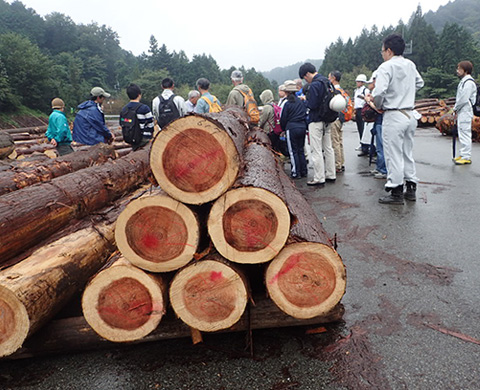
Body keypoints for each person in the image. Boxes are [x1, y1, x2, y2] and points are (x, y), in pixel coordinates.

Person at [368, 34, 424, 204]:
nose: (382, 53)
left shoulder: (386, 67)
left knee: (393, 154)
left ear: (389, 50)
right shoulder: (410, 64)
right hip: (410, 113)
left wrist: (378, 104)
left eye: (383, 50)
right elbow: (420, 83)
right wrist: (406, 91)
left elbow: (379, 92)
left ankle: (396, 190)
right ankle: (411, 187)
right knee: (407, 151)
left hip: (394, 113)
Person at [299, 62, 336, 186]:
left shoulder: (315, 85)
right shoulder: (327, 82)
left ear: (308, 74)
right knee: (328, 148)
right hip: (328, 119)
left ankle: (319, 177)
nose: (306, 80)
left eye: (305, 77)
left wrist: (305, 101)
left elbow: (312, 105)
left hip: (316, 120)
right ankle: (331, 174)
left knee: (316, 150)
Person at [280, 80, 308, 180]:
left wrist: (283, 129)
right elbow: (305, 114)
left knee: (293, 151)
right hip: (302, 127)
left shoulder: (287, 103)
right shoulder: (301, 102)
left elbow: (283, 118)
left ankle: (296, 172)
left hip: (291, 128)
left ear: (286, 92)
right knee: (301, 150)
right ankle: (304, 170)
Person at [453, 60, 476, 165]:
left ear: (465, 70)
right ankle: (463, 154)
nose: (457, 71)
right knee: (461, 132)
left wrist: (455, 108)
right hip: (463, 110)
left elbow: (463, 98)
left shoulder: (469, 83)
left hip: (465, 110)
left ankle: (466, 156)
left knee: (465, 133)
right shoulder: (464, 81)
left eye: (459, 69)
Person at [365, 72, 387, 180]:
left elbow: (380, 109)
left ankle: (383, 170)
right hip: (378, 122)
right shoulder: (377, 91)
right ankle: (379, 167)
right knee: (378, 147)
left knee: (382, 147)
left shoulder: (383, 91)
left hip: (381, 121)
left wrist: (369, 102)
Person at [120, 83, 155, 150]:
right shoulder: (144, 108)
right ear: (139, 95)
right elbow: (151, 125)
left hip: (130, 138)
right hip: (144, 139)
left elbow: (122, 123)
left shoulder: (124, 109)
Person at [328, 71, 346, 173]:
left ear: (333, 78)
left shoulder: (334, 91)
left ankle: (337, 165)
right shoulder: (342, 90)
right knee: (339, 141)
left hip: (335, 118)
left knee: (334, 142)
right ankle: (341, 162)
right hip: (341, 118)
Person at [354, 74, 370, 156]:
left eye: (359, 81)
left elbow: (368, 100)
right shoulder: (356, 90)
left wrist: (363, 97)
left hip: (362, 110)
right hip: (357, 110)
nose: (357, 83)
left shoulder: (365, 90)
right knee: (360, 128)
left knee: (364, 129)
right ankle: (362, 145)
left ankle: (366, 148)